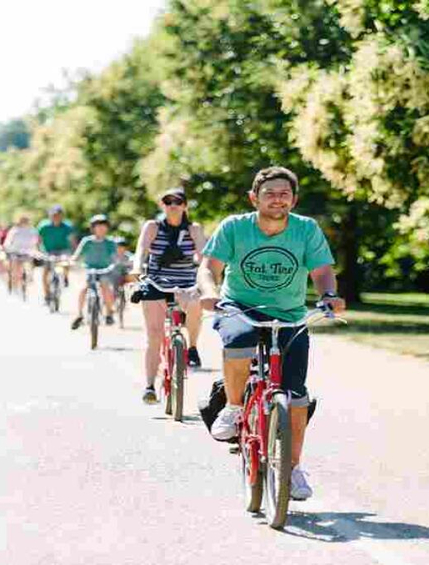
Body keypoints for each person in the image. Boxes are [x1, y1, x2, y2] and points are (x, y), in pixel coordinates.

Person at [197, 166, 346, 501]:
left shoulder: (306, 229)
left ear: (293, 199)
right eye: (269, 193)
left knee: (295, 394)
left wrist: (328, 296)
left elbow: (322, 270)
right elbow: (209, 268)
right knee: (239, 340)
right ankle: (234, 408)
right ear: (254, 198)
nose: (277, 199)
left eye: (284, 194)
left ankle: (292, 470)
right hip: (239, 307)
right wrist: (209, 291)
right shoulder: (235, 227)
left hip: (290, 316)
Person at [130, 187, 206, 404]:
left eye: (178, 201)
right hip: (156, 282)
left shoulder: (193, 229)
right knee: (154, 335)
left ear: (185, 206)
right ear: (162, 205)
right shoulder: (153, 226)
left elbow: (202, 254)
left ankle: (192, 347)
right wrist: (136, 268)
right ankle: (149, 386)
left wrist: (206, 273)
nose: (173, 205)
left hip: (185, 283)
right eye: (168, 201)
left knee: (195, 305)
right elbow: (141, 250)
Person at [70, 214, 121, 329]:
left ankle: (109, 313)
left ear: (107, 228)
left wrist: (115, 264)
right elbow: (77, 255)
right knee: (84, 288)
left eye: (103, 226)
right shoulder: (87, 241)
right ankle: (79, 314)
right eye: (98, 226)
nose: (101, 228)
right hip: (90, 270)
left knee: (105, 287)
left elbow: (114, 257)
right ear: (93, 228)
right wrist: (72, 261)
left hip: (104, 270)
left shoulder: (110, 242)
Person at [37, 204, 76, 302]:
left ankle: (65, 277)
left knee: (66, 262)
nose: (56, 217)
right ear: (50, 216)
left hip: (63, 249)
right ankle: (47, 295)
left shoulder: (67, 226)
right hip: (48, 250)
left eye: (59, 215)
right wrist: (38, 252)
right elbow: (38, 240)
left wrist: (73, 253)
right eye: (54, 215)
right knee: (45, 273)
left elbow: (72, 240)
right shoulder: (43, 226)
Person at [3, 213, 40, 291]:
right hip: (16, 251)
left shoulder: (32, 230)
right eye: (22, 220)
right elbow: (8, 241)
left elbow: (36, 241)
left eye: (26, 220)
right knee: (16, 268)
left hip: (28, 252)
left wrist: (36, 250)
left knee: (29, 265)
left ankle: (29, 278)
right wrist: (7, 247)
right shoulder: (14, 230)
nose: (24, 222)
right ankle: (15, 284)